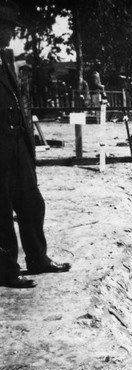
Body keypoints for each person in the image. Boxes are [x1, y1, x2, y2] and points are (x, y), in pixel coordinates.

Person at [0, 0, 71, 288]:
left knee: (31, 202)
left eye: (10, 29)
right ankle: (6, 270)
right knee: (2, 210)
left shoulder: (6, 58)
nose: (9, 34)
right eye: (5, 28)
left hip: (18, 144)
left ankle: (37, 258)